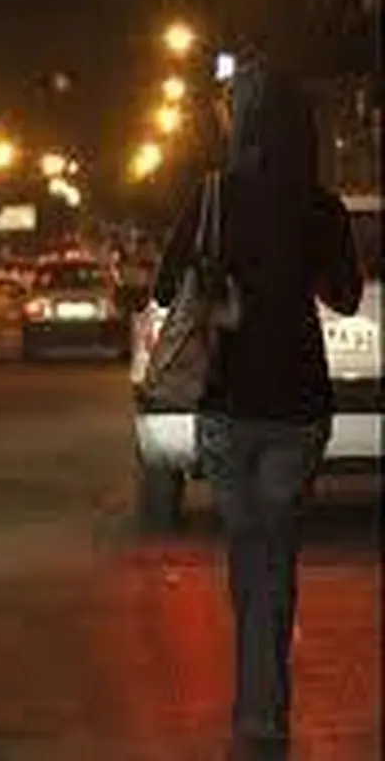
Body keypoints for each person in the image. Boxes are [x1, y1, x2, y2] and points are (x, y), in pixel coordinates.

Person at [151, 60, 363, 759]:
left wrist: (220, 272)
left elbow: (162, 291)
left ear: (240, 123)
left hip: (228, 406)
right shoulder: (321, 206)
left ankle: (259, 716)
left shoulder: (213, 195)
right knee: (276, 555)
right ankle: (264, 715)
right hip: (299, 409)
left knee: (250, 558)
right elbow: (346, 298)